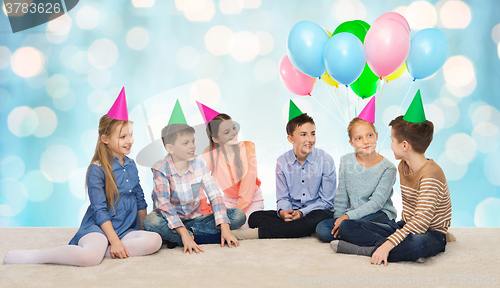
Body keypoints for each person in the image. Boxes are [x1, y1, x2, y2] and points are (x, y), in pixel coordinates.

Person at [3, 87, 162, 266]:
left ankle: (107, 250)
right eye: (122, 136)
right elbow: (100, 210)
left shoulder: (131, 164)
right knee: (90, 258)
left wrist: (141, 230)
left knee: (154, 240)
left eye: (131, 135)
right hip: (100, 227)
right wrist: (115, 240)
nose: (129, 141)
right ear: (105, 139)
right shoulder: (98, 169)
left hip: (126, 227)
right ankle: (37, 256)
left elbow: (140, 199)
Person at [331, 90, 452, 265]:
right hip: (404, 227)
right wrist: (392, 238)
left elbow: (421, 223)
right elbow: (409, 223)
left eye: (392, 140)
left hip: (430, 233)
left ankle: (364, 250)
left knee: (416, 244)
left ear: (404, 145)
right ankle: (396, 249)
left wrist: (388, 245)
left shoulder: (431, 174)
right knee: (347, 226)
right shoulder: (403, 166)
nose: (390, 145)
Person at [142, 100, 245, 254]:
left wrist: (224, 226)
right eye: (185, 143)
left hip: (196, 219)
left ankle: (178, 237)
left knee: (238, 215)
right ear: (170, 148)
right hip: (169, 220)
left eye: (193, 141)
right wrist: (183, 232)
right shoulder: (161, 168)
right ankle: (190, 237)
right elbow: (163, 204)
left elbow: (214, 194)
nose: (192, 146)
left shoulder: (199, 163)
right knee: (149, 222)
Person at [234, 100, 336, 240]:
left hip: (316, 211)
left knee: (319, 217)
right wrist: (283, 212)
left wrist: (302, 213)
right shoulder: (282, 162)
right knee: (254, 217)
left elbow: (327, 202)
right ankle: (299, 229)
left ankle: (261, 233)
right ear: (290, 138)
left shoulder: (325, 160)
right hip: (293, 212)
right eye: (303, 134)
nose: (310, 139)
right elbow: (283, 197)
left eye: (312, 133)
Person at [316, 97, 397, 242]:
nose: (366, 141)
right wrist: (338, 221)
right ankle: (359, 235)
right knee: (322, 228)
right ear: (351, 142)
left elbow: (376, 203)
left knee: (349, 226)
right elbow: (341, 196)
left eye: (369, 135)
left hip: (379, 214)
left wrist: (347, 218)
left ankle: (360, 234)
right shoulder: (346, 161)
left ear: (376, 136)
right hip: (352, 217)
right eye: (359, 138)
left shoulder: (388, 168)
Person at [196, 101, 264, 229]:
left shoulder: (248, 147)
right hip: (227, 202)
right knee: (219, 225)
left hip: (251, 200)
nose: (233, 133)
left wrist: (235, 213)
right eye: (226, 132)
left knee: (243, 226)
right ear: (215, 138)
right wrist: (206, 210)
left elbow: (247, 185)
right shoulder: (210, 154)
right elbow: (197, 180)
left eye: (233, 128)